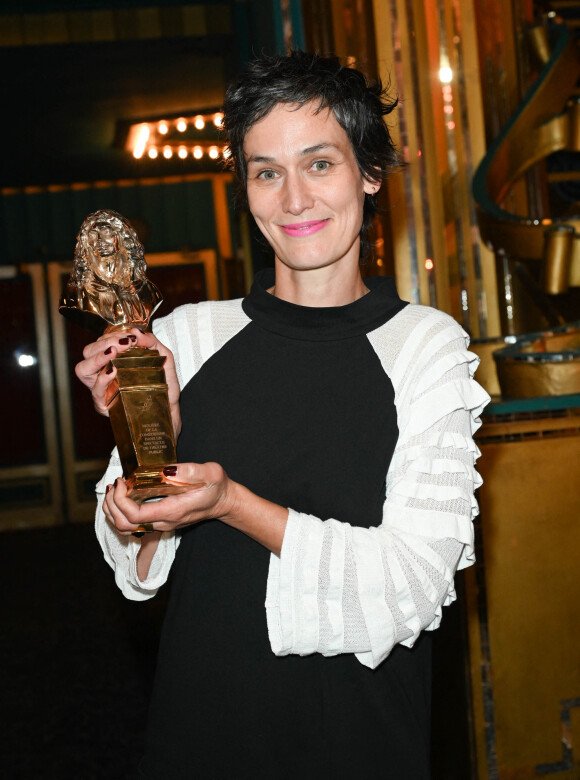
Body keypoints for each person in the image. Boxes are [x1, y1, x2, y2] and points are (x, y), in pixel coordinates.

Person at [75, 51, 489, 779]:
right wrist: (145, 445)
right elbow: (138, 564)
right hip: (199, 732)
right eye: (267, 171)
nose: (293, 199)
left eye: (319, 163)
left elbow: (413, 586)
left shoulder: (425, 346)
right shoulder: (181, 337)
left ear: (368, 172)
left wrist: (233, 504)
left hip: (357, 741)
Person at [60, 209, 162, 332]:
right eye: (92, 235)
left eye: (107, 233)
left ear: (121, 238)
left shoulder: (149, 291)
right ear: (85, 243)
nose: (100, 241)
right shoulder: (75, 296)